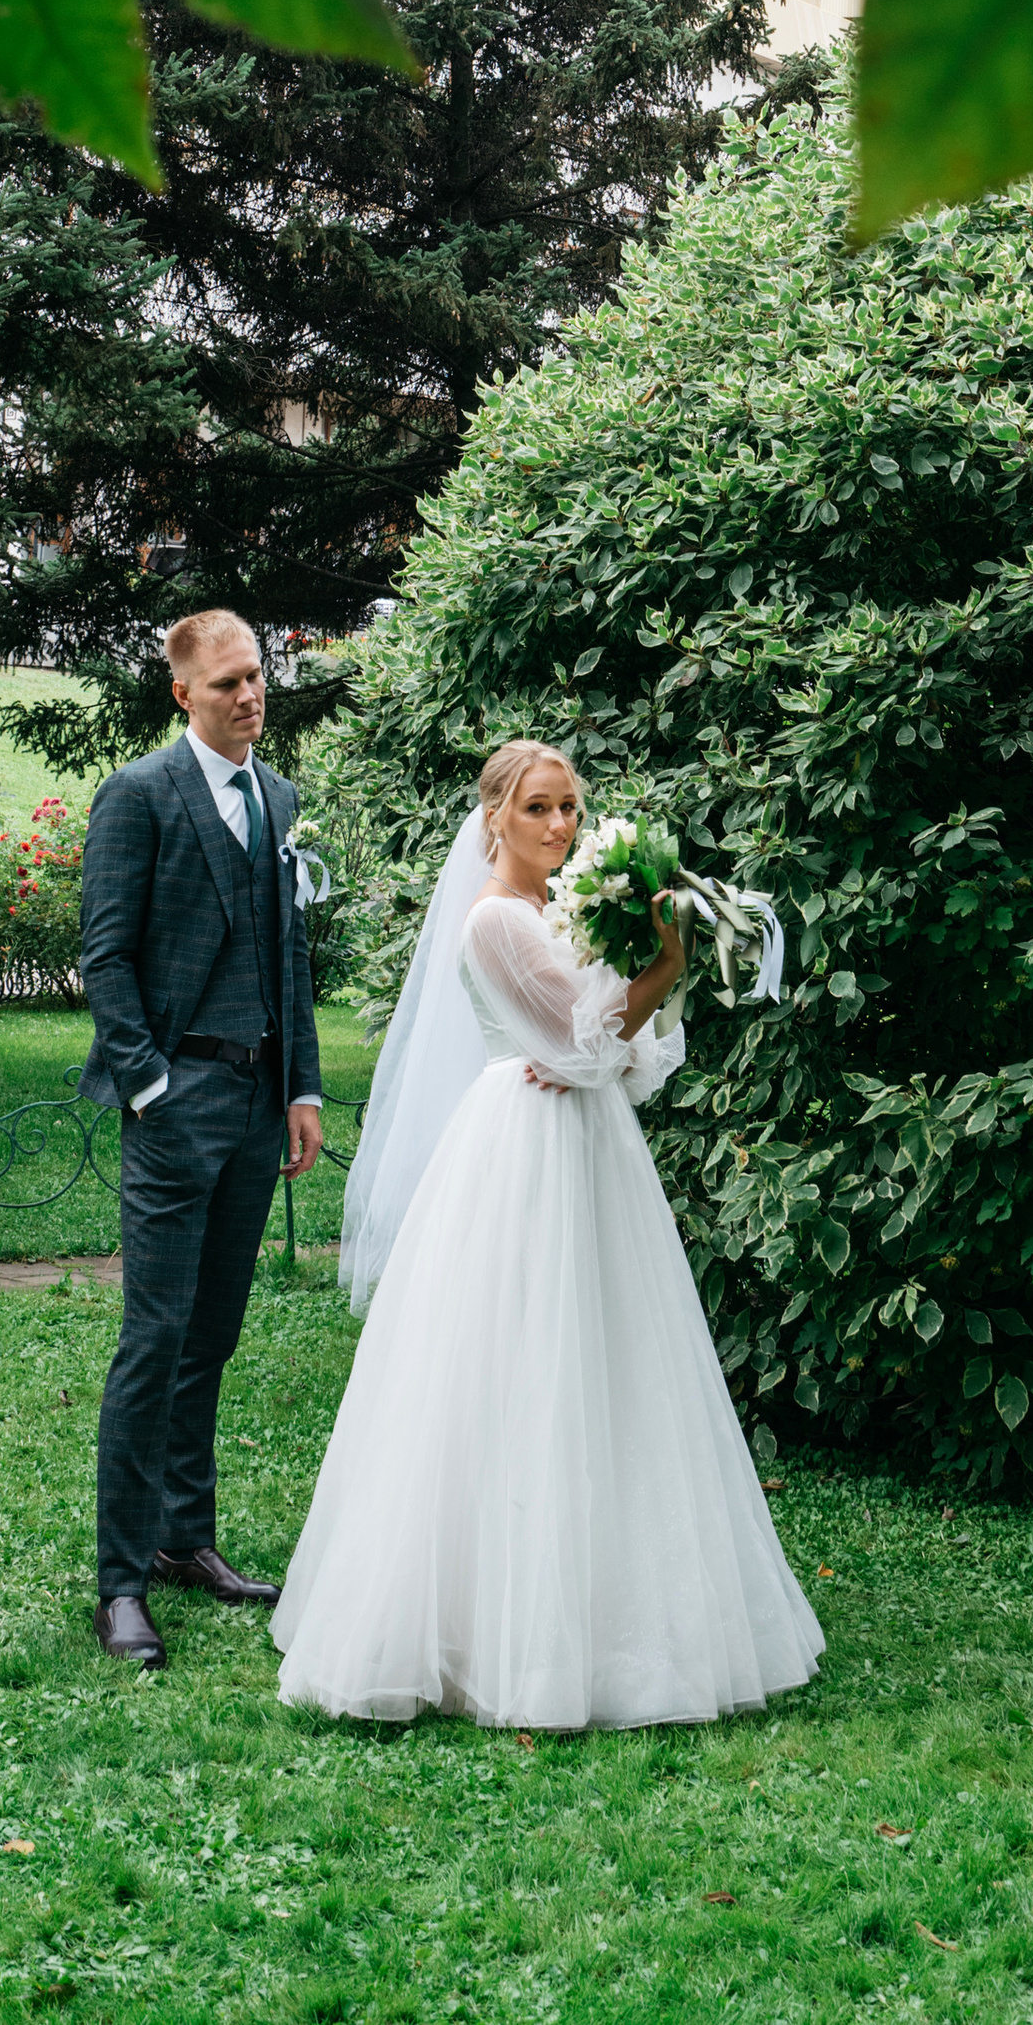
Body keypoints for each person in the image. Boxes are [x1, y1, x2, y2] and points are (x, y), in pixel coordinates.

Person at [271, 737, 823, 1730]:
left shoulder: (553, 911)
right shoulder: (492, 920)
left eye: (569, 808)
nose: (559, 826)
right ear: (493, 818)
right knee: (516, 1368)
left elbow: (621, 1056)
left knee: (611, 1361)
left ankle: (622, 1603)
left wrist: (635, 992)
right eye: (537, 809)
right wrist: (664, 962)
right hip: (522, 1150)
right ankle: (492, 1630)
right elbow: (585, 1040)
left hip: (588, 1143)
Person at [79, 608, 324, 1672]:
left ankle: (187, 1539)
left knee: (212, 1336)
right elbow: (106, 954)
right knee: (154, 1341)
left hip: (258, 1103)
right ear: (184, 694)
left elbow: (290, 959)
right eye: (226, 683)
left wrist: (303, 1087)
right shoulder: (139, 795)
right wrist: (148, 1087)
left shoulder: (279, 799)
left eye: (255, 677)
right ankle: (120, 1583)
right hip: (175, 1107)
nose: (250, 695)